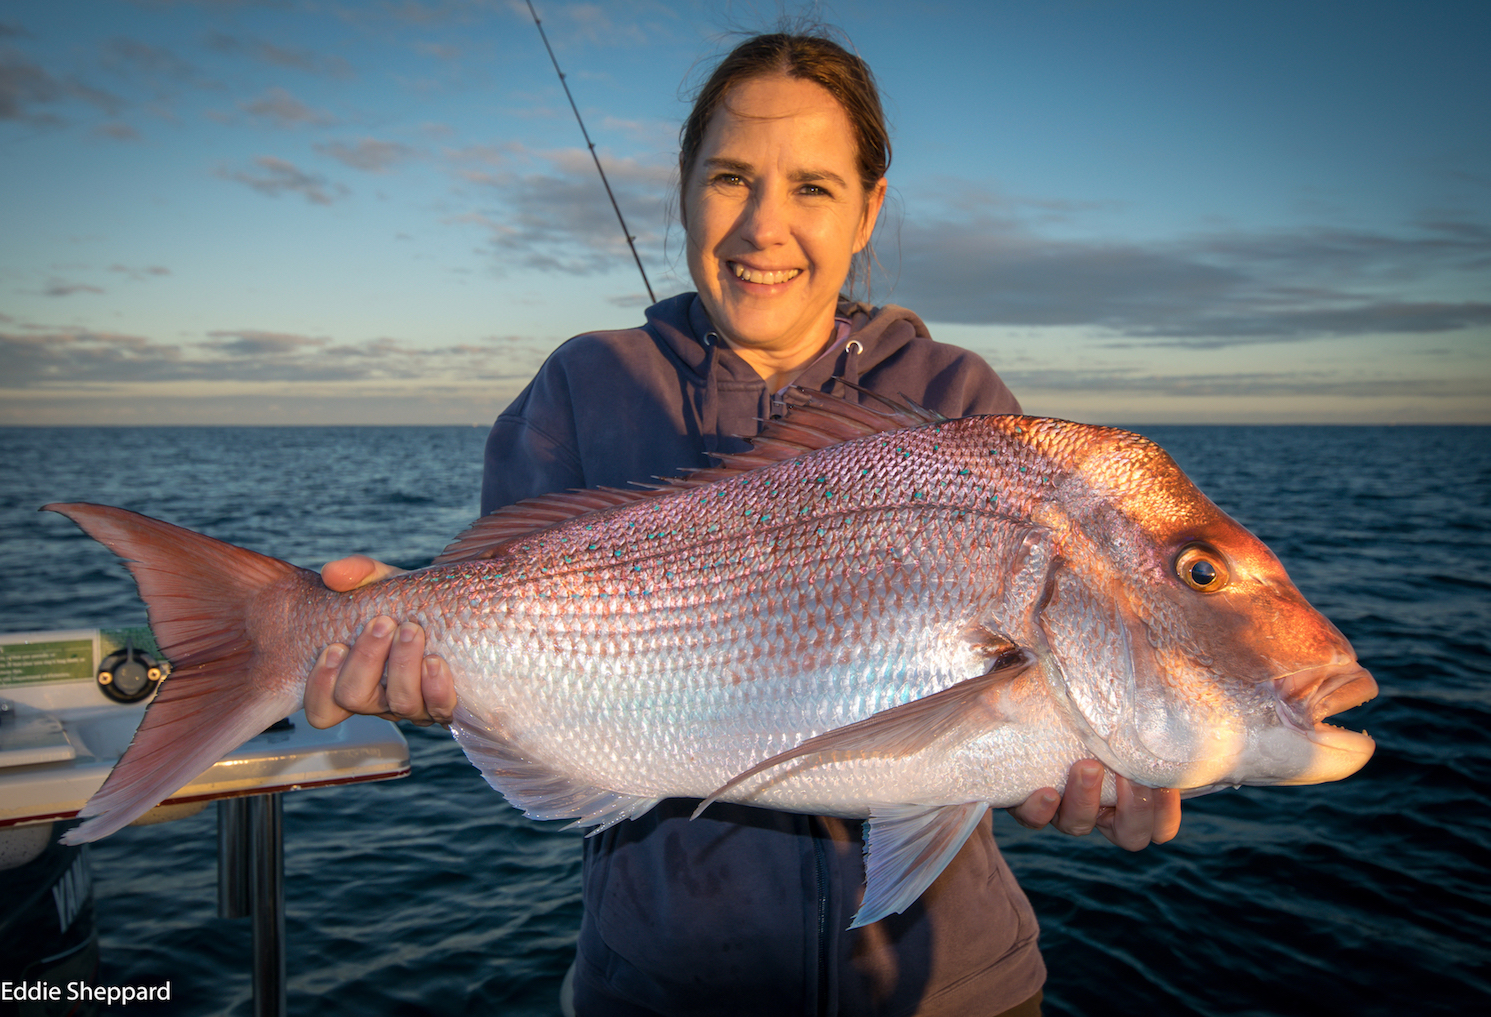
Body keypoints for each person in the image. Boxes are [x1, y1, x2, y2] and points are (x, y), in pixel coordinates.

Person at [303, 31, 1180, 1017]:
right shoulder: (586, 385)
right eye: (730, 178)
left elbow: (1021, 712)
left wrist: (1093, 755)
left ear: (868, 210)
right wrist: (412, 656)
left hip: (952, 992)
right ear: (682, 191)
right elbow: (500, 625)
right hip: (658, 990)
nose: (765, 227)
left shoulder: (959, 401)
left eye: (813, 187)